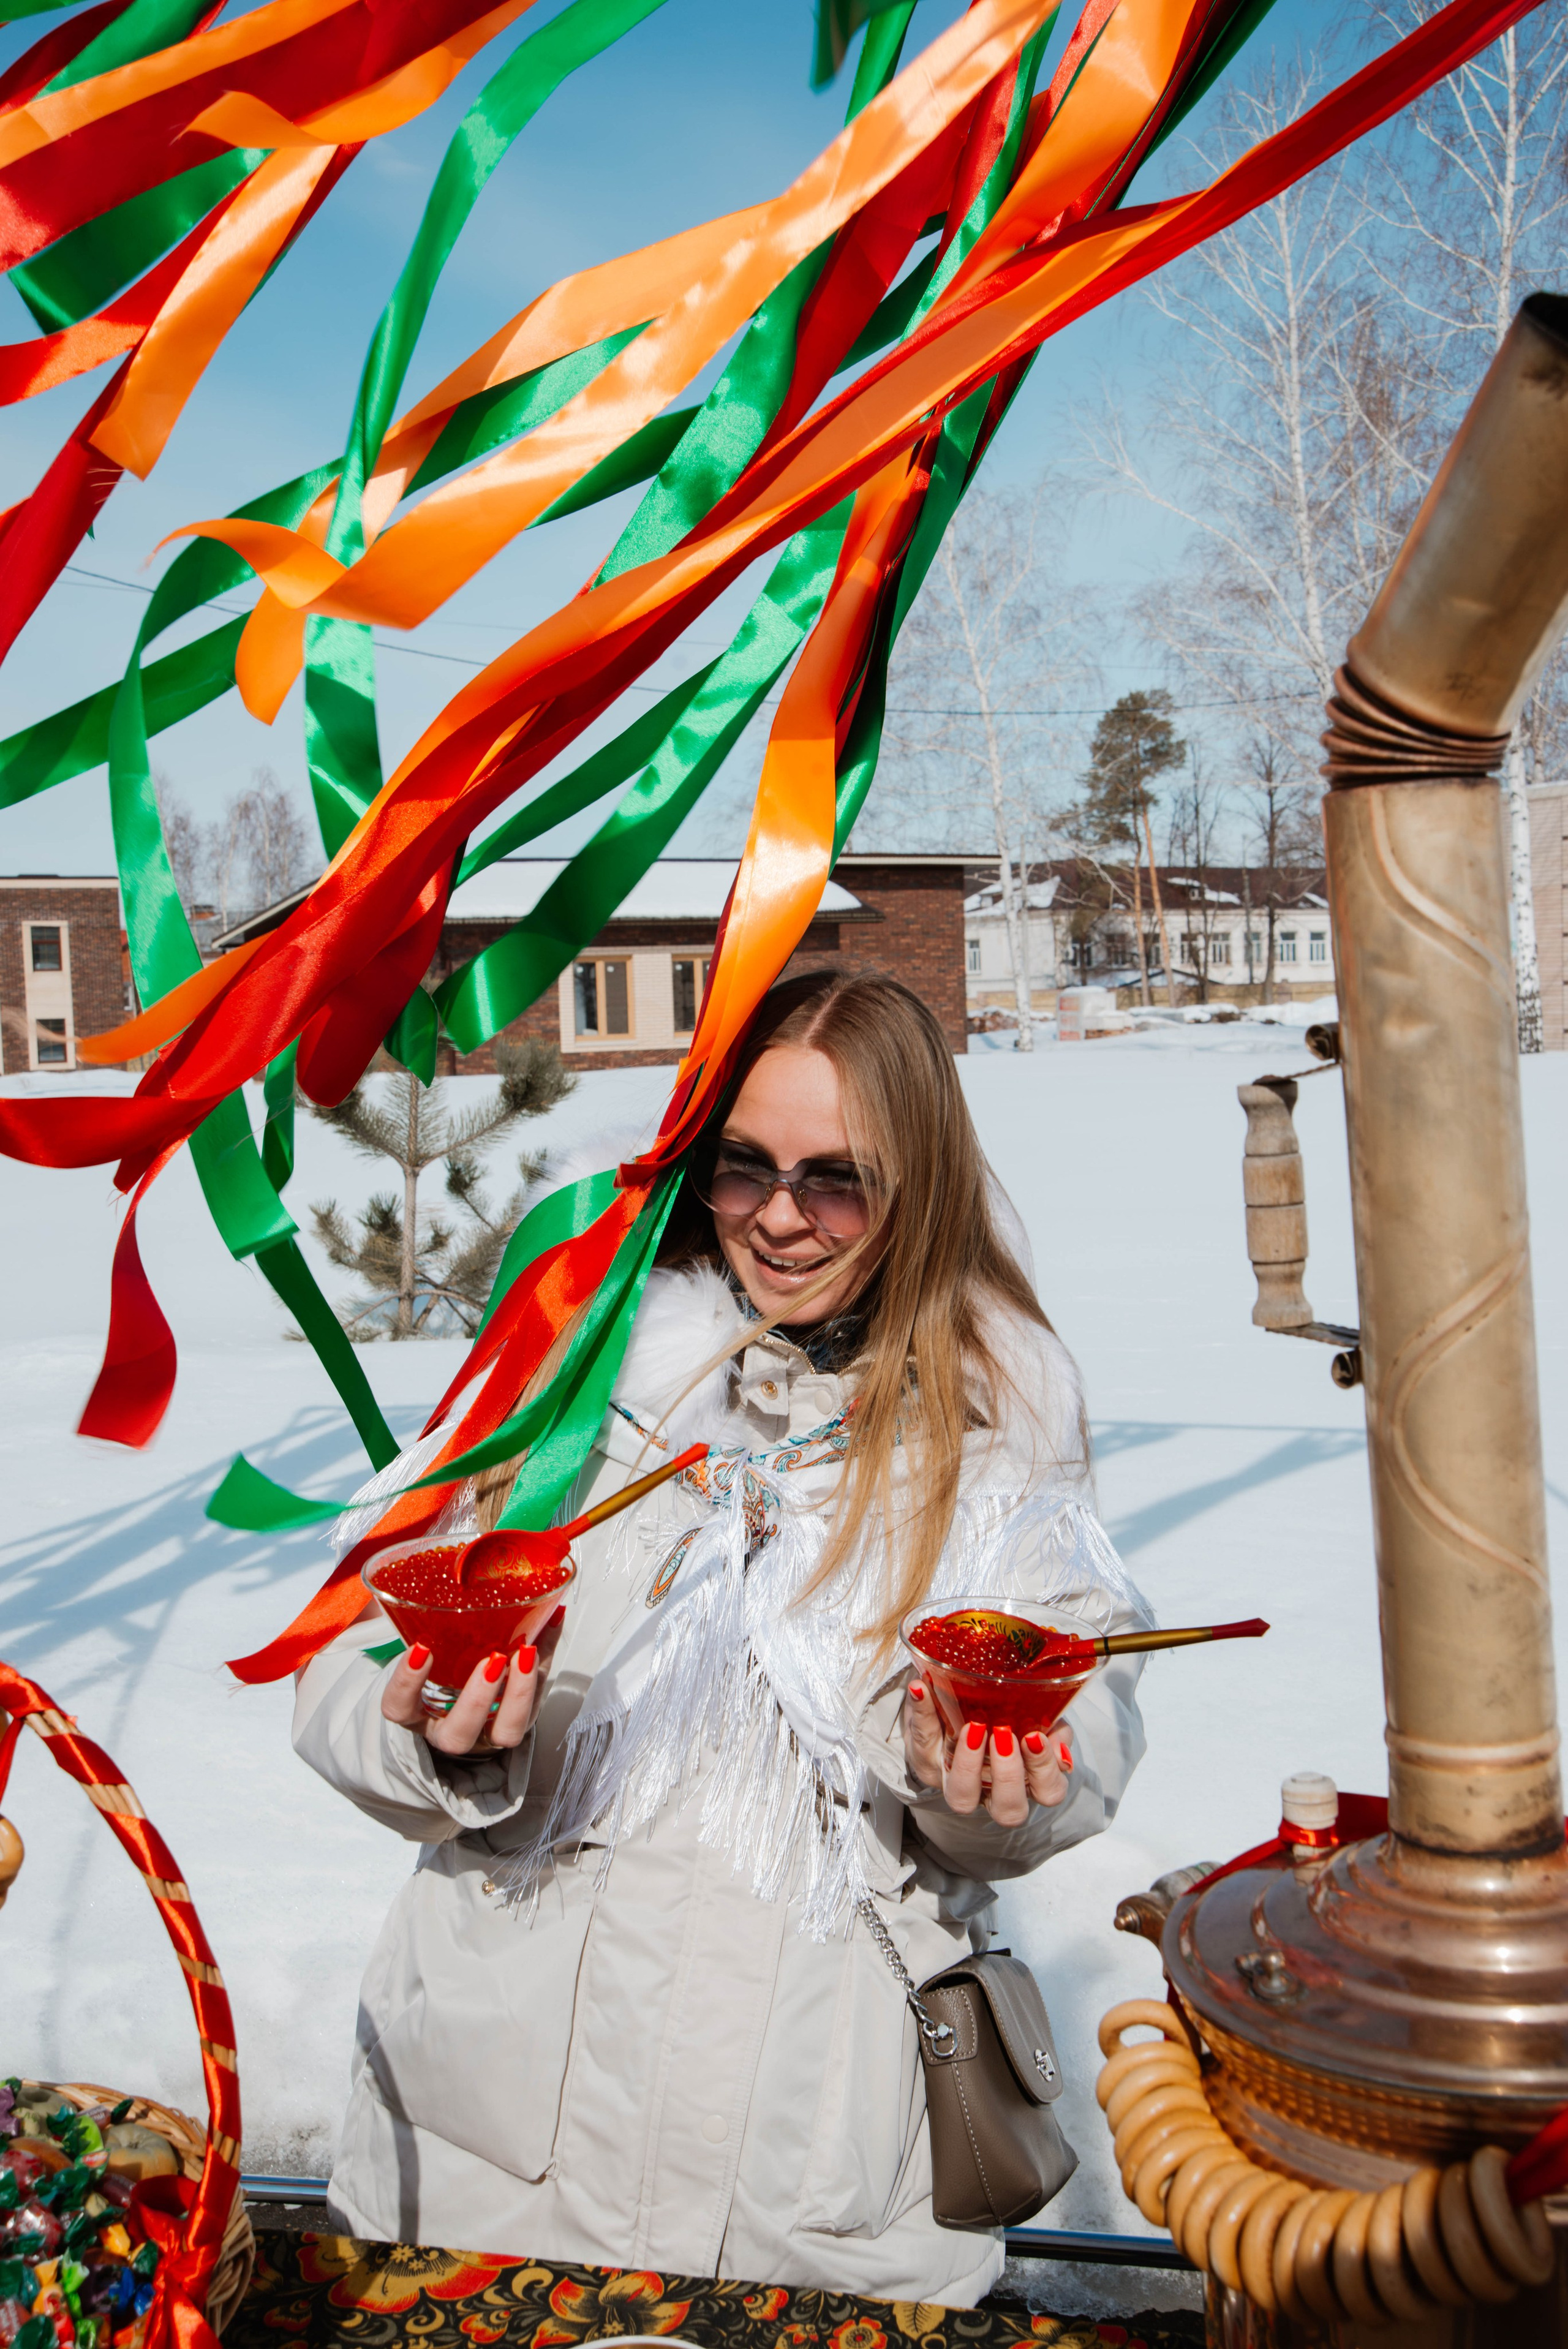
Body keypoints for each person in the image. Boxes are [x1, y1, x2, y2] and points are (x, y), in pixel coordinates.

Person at [293, 969, 1150, 2305]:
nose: (779, 1220)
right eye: (742, 1169)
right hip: (491, 2184)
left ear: (918, 1184)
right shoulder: (574, 1372)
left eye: (837, 1181)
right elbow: (345, 1663)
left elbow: (1081, 1710)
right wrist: (433, 1739)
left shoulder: (995, 1438)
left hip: (821, 2210)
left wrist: (989, 1786)